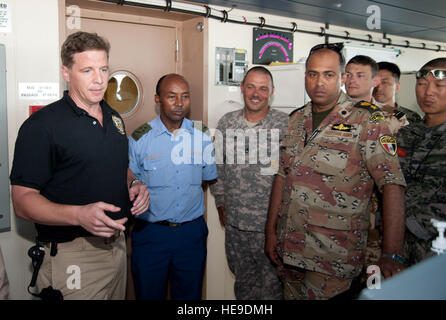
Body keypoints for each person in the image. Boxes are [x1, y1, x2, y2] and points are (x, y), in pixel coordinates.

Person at [9, 31, 149, 300]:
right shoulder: (42, 126)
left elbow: (119, 167)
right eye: (87, 70)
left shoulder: (114, 117)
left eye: (103, 69)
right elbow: (22, 201)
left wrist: (134, 183)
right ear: (66, 71)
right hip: (74, 253)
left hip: (117, 247)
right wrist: (79, 215)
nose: (99, 80)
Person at [265, 43, 406, 300]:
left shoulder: (367, 121)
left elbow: (392, 184)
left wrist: (391, 253)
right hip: (291, 249)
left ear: (341, 78)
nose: (319, 82)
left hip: (333, 257)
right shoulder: (296, 119)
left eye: (328, 75)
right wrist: (271, 231)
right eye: (313, 74)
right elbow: (282, 176)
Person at [128, 73, 217, 300]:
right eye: (172, 96)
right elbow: (129, 182)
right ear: (158, 100)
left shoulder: (202, 135)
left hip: (190, 234)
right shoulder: (140, 139)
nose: (180, 103)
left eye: (185, 97)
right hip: (151, 234)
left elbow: (206, 178)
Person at [210, 66, 287, 300]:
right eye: (251, 87)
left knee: (273, 288)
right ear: (242, 88)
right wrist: (221, 201)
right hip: (236, 227)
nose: (256, 93)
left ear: (271, 92)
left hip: (271, 228)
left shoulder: (286, 125)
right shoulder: (227, 122)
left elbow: (292, 176)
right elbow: (217, 165)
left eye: (263, 88)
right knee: (243, 286)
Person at [397, 58, 446, 266]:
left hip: (439, 250)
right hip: (397, 247)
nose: (428, 92)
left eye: (439, 86)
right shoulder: (406, 134)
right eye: (422, 84)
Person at [374, 61, 421, 134]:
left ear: (397, 87)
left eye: (385, 82)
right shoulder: (360, 114)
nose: (379, 87)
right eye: (375, 82)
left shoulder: (411, 118)